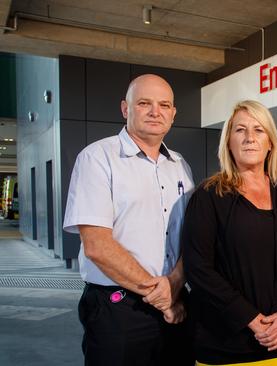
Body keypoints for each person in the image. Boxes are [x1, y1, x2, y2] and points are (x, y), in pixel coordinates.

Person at [63, 74, 195, 366]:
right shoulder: (97, 158)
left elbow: (190, 238)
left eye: (164, 104)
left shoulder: (180, 166)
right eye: (144, 103)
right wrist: (160, 294)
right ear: (126, 109)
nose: (155, 111)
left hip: (176, 303)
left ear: (173, 113)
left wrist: (174, 286)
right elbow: (97, 245)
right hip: (118, 310)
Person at [182, 100, 277, 366]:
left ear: (270, 142)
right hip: (225, 342)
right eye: (240, 130)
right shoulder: (209, 196)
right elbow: (198, 268)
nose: (249, 138)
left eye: (258, 130)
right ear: (228, 143)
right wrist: (252, 320)